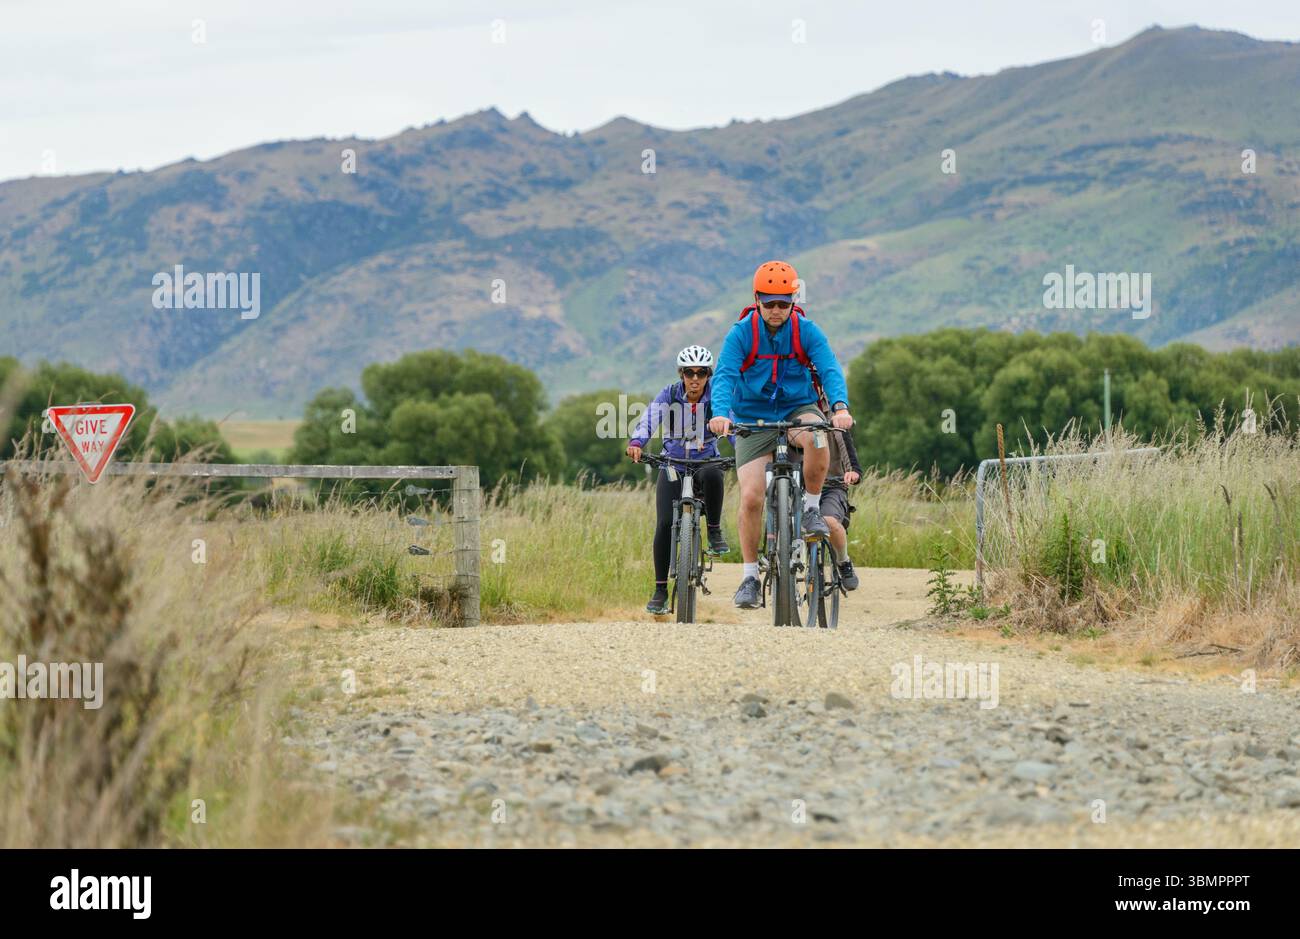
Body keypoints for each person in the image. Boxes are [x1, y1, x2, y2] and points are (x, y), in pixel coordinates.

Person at [707, 260, 853, 609]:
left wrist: (840, 406)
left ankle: (811, 508)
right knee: (752, 496)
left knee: (818, 437)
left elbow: (830, 367)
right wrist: (720, 415)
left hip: (797, 408)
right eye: (769, 302)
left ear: (793, 302)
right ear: (756, 299)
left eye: (783, 303)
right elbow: (725, 374)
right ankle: (749, 577)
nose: (776, 310)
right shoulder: (741, 333)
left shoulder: (806, 330)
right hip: (752, 417)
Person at [627, 345, 733, 614]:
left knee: (713, 471)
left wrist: (743, 447)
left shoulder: (716, 398)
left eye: (701, 373)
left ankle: (714, 530)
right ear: (681, 374)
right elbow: (649, 418)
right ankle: (660, 590)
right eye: (689, 373)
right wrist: (638, 441)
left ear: (709, 375)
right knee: (663, 523)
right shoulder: (670, 394)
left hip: (705, 460)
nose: (695, 378)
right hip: (673, 463)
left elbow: (731, 424)